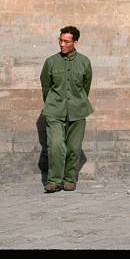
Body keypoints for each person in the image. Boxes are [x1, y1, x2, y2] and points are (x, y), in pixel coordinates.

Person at [40, 26, 93, 193]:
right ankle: (54, 181)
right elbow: (46, 86)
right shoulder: (51, 62)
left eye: (66, 41)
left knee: (74, 147)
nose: (62, 44)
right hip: (55, 110)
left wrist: (77, 101)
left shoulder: (84, 62)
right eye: (60, 40)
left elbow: (86, 86)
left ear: (75, 42)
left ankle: (69, 179)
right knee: (56, 145)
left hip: (78, 110)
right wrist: (53, 103)